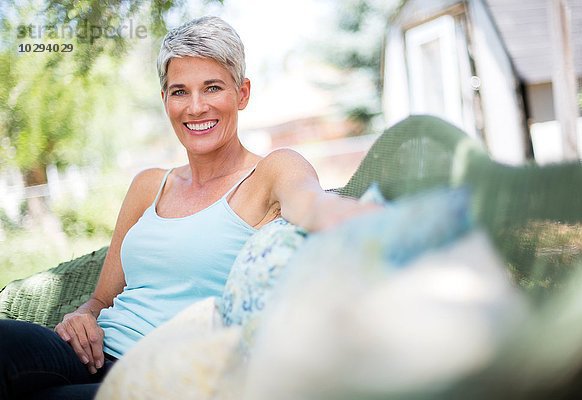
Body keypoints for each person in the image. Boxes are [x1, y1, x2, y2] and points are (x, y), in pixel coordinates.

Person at [0, 16, 379, 399]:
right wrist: (82, 315)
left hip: (169, 380)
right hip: (93, 356)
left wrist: (365, 219)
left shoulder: (272, 171)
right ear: (165, 100)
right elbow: (102, 298)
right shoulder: (148, 184)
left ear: (242, 93)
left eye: (212, 88)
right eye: (179, 91)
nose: (195, 107)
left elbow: (312, 204)